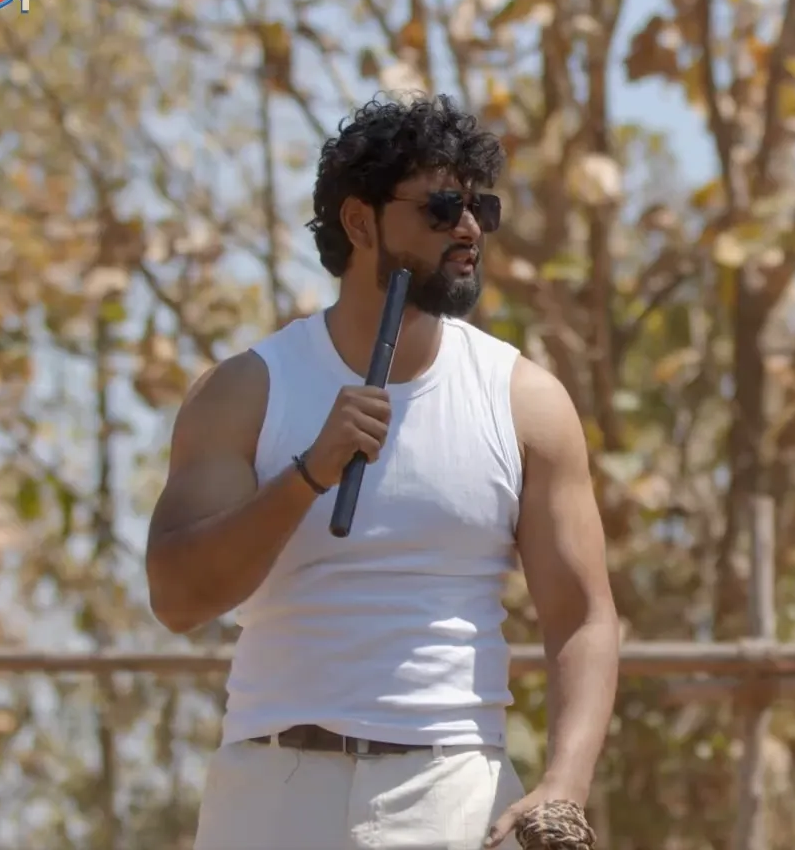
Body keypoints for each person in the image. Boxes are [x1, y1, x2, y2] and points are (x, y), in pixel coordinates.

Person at [145, 94, 619, 850]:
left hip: (452, 792)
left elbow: (582, 617)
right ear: (359, 222)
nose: (468, 229)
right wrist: (308, 474)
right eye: (441, 207)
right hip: (271, 790)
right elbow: (177, 599)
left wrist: (564, 785)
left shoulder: (525, 401)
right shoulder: (245, 392)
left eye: (480, 207)